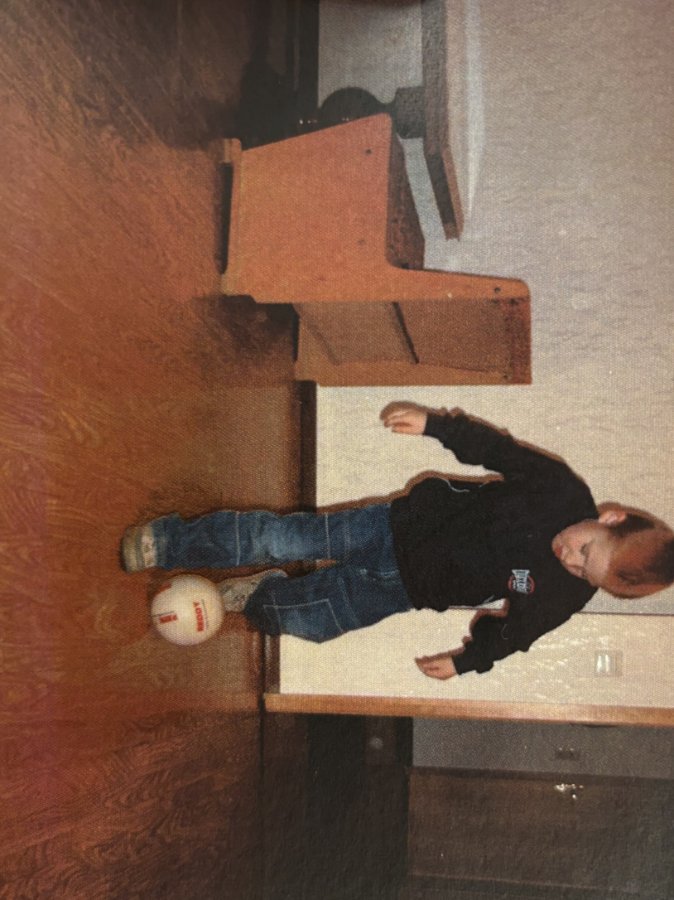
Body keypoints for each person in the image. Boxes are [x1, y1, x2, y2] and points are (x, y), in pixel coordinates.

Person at [121, 404, 674, 679]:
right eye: (585, 549)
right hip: (392, 527)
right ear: (609, 516)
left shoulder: (567, 594)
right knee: (280, 536)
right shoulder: (560, 490)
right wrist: (435, 424)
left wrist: (467, 661)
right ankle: (170, 543)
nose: (570, 560)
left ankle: (254, 597)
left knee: (313, 621)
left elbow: (517, 633)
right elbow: (496, 449)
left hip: (404, 589)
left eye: (582, 572)